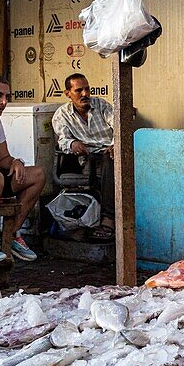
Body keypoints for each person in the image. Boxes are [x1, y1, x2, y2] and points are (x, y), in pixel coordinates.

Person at [0, 75, 46, 262]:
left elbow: (3, 158)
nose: (4, 102)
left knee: (37, 174)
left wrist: (16, 162)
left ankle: (12, 234)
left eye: (7, 96)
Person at [51, 73, 115, 241]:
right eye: (79, 90)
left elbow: (119, 126)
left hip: (110, 154)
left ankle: (108, 219)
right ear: (68, 94)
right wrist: (72, 144)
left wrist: (116, 144)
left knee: (111, 159)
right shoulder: (62, 114)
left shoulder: (101, 105)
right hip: (87, 158)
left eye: (87, 89)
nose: (85, 94)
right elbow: (63, 139)